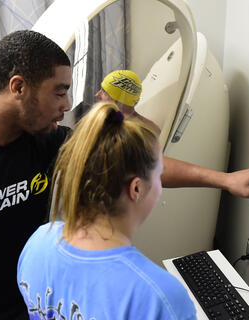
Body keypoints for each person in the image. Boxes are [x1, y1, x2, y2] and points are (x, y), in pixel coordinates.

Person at [0, 30, 249, 319]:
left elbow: (134, 162)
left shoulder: (42, 140)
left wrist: (225, 179)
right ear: (19, 86)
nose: (67, 104)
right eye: (59, 92)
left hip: (35, 300)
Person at [17, 102, 195, 319]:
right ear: (136, 188)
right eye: (158, 175)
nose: (160, 187)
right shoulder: (158, 296)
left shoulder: (39, 241)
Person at [95, 69, 161, 135]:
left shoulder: (131, 133)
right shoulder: (151, 128)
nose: (97, 95)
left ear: (119, 99)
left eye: (104, 91)